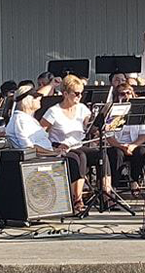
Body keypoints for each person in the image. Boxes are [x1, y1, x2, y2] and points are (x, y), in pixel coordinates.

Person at [40, 74, 113, 211]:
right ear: (66, 94)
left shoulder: (82, 108)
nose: (80, 96)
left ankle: (106, 193)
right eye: (77, 93)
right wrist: (53, 146)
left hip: (78, 145)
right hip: (61, 147)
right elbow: (40, 132)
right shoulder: (54, 111)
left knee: (101, 154)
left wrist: (101, 125)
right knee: (80, 156)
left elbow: (90, 126)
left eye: (81, 93)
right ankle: (77, 198)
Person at [105, 83, 145, 192]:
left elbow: (143, 135)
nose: (126, 96)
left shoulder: (139, 111)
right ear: (117, 96)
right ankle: (114, 186)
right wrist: (122, 147)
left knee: (141, 151)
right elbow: (109, 137)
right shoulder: (112, 112)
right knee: (116, 154)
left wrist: (132, 146)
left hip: (133, 145)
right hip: (117, 145)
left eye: (128, 93)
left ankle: (134, 180)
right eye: (122, 94)